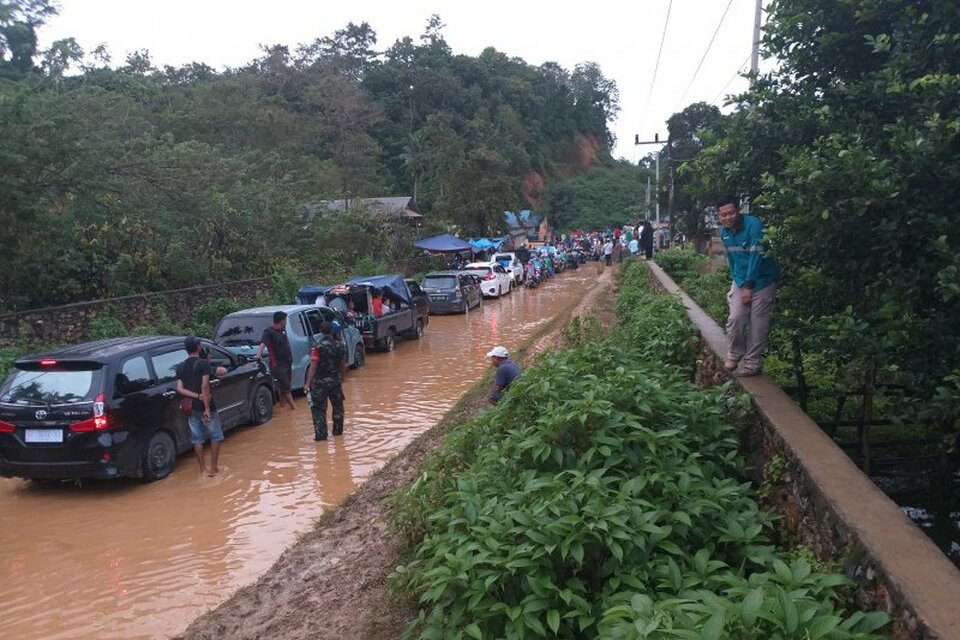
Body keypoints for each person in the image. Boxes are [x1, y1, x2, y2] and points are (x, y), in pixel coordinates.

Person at [717, 195, 780, 376]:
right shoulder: (724, 233)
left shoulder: (754, 225)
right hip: (741, 279)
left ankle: (752, 364)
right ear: (719, 216)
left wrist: (749, 286)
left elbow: (756, 256)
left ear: (738, 211)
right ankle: (734, 354)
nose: (728, 217)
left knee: (758, 323)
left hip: (763, 280)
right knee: (735, 317)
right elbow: (733, 260)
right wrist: (740, 282)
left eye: (731, 213)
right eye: (724, 215)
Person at [177, 337, 223, 476]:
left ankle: (203, 469)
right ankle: (214, 468)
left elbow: (179, 388)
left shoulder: (181, 366)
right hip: (205, 405)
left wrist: (195, 396)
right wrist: (207, 408)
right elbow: (205, 386)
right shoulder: (203, 364)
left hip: (191, 407)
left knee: (197, 438)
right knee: (215, 435)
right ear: (198, 347)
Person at [304, 321, 346, 441]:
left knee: (318, 410)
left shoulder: (317, 347)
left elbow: (313, 366)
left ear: (321, 331)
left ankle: (321, 438)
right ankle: (338, 434)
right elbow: (343, 365)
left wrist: (307, 383)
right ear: (332, 331)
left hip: (320, 384)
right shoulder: (340, 345)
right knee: (338, 407)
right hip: (335, 382)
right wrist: (342, 378)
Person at [255, 310, 297, 410]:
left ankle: (282, 406)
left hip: (287, 362)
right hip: (277, 365)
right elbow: (263, 343)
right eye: (285, 320)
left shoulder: (283, 330)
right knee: (286, 386)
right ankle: (294, 408)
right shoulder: (268, 332)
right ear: (281, 321)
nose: (286, 322)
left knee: (284, 386)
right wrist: (259, 354)